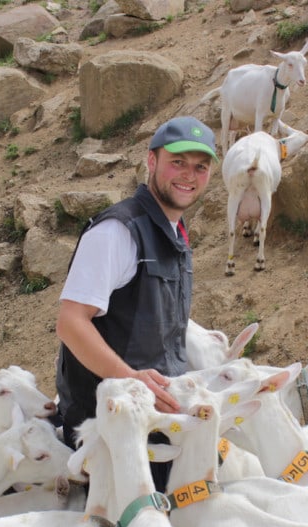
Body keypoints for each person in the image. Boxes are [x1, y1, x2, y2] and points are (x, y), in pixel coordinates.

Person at [55, 116, 216, 492]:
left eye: (200, 167)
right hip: (114, 428)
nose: (189, 175)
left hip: (156, 416)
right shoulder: (117, 231)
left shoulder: (174, 234)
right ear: (152, 161)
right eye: (178, 162)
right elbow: (71, 322)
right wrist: (131, 380)